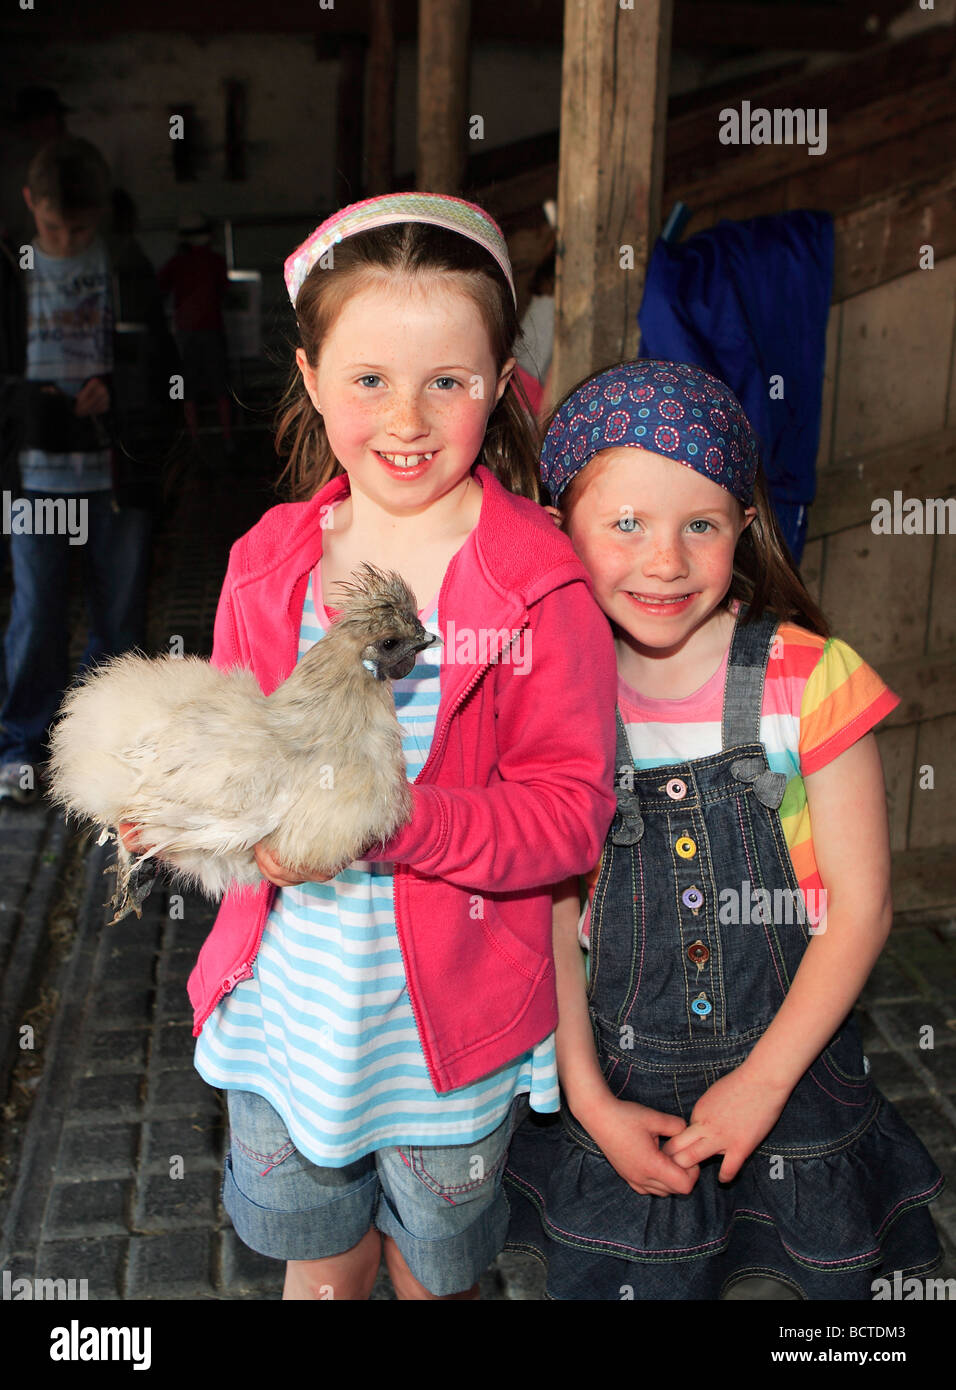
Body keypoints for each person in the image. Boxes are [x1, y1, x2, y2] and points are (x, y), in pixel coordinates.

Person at [129, 192, 617, 1300]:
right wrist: (186, 815)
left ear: (498, 385)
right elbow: (233, 744)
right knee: (321, 1265)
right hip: (284, 1017)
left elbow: (569, 812)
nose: (406, 417)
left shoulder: (537, 584)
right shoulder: (269, 562)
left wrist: (387, 819)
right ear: (308, 378)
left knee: (431, 1275)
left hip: (443, 1039)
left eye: (446, 380)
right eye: (368, 381)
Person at [503, 359, 944, 1300]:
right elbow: (550, 919)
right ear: (557, 530)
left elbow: (862, 911)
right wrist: (588, 1099)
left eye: (699, 526)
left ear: (742, 530)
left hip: (794, 1068)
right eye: (626, 524)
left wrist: (763, 1084)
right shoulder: (552, 697)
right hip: (619, 1088)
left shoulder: (808, 677)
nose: (665, 561)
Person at [0, 137, 152, 804]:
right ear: (31, 204)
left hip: (114, 479)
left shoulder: (125, 263)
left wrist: (119, 389)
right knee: (36, 617)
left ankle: (104, 755)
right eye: (53, 225)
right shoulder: (9, 268)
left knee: (119, 625)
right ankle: (22, 748)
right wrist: (29, 403)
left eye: (79, 227)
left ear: (101, 214)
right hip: (33, 481)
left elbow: (160, 365)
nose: (65, 238)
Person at [156, 213, 233, 450]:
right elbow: (226, 291)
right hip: (212, 330)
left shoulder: (176, 263)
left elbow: (160, 287)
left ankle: (194, 439)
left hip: (185, 334)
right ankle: (229, 438)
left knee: (184, 387)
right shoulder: (216, 261)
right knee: (221, 385)